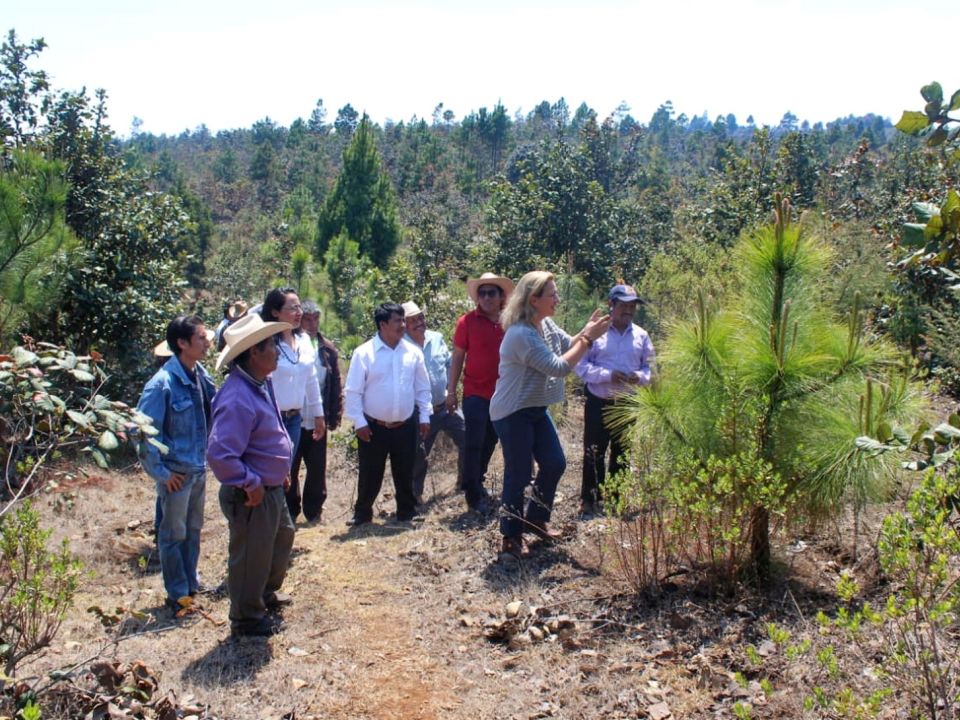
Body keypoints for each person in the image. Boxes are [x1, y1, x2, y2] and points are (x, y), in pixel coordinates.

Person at [489, 271, 610, 559]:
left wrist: (586, 331)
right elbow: (558, 367)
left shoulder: (545, 323)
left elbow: (569, 344)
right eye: (552, 294)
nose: (557, 298)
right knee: (518, 474)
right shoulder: (521, 334)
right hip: (512, 412)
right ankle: (511, 536)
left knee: (554, 462)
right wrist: (589, 340)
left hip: (535, 409)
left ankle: (536, 519)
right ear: (534, 299)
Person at [207, 313, 296, 638]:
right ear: (254, 353)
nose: (276, 349)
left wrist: (280, 470)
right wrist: (251, 482)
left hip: (270, 487)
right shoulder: (237, 397)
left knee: (281, 538)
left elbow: (270, 431)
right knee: (251, 556)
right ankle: (246, 618)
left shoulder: (260, 384)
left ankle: (264, 595)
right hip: (252, 493)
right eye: (271, 344)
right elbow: (220, 455)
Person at [137, 316, 216, 612]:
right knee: (172, 535)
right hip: (177, 474)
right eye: (200, 338)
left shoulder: (199, 374)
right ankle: (177, 593)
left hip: (196, 469)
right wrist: (161, 473)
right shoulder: (162, 384)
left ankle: (190, 584)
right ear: (182, 344)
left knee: (193, 530)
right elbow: (143, 431)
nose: (207, 342)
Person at [344, 303, 432, 526]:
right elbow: (353, 391)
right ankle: (362, 513)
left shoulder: (412, 352)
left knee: (405, 470)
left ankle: (406, 511)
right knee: (370, 472)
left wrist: (424, 416)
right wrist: (359, 422)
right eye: (398, 321)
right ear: (383, 325)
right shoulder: (364, 353)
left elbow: (422, 388)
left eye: (404, 320)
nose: (403, 325)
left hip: (405, 424)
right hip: (373, 427)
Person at [575, 284, 655, 516]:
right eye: (623, 305)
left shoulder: (642, 335)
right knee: (593, 452)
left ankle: (615, 499)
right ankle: (590, 499)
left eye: (632, 306)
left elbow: (651, 369)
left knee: (621, 452)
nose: (628, 310)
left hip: (627, 403)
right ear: (611, 305)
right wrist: (608, 375)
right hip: (599, 401)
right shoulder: (595, 333)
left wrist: (638, 377)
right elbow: (581, 367)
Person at [446, 272, 514, 512]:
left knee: (491, 439)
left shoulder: (510, 321)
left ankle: (477, 479)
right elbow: (457, 358)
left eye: (491, 293)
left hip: (504, 394)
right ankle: (472, 493)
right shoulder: (466, 322)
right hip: (475, 392)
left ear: (501, 296)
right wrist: (451, 391)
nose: (486, 297)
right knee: (473, 441)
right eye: (482, 293)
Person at [259, 288, 326, 521]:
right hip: (271, 419)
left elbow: (311, 380)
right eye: (292, 308)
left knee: (287, 472)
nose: (299, 313)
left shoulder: (304, 340)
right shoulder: (266, 343)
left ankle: (282, 522)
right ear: (275, 312)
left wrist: (319, 415)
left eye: (299, 307)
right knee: (277, 472)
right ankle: (274, 520)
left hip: (296, 419)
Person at [402, 301, 465, 505]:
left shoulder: (436, 338)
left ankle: (464, 483)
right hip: (420, 412)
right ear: (404, 324)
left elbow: (449, 364)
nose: (419, 323)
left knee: (468, 437)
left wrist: (451, 392)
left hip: (444, 406)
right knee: (419, 454)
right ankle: (415, 496)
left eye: (420, 317)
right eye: (412, 320)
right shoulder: (400, 345)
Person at [289, 301, 343, 523]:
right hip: (292, 417)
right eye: (307, 319)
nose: (311, 324)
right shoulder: (290, 345)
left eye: (315, 319)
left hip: (317, 417)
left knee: (317, 467)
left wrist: (334, 414)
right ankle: (290, 509)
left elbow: (335, 382)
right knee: (290, 465)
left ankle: (314, 511)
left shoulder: (326, 348)